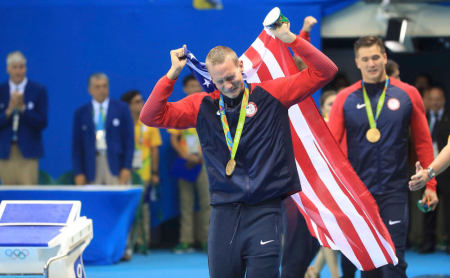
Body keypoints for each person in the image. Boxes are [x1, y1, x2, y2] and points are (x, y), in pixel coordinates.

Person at [140, 19, 337, 278]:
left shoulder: (272, 94)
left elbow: (326, 71)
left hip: (266, 210)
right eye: (219, 81)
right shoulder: (202, 106)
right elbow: (151, 116)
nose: (228, 85)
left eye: (231, 77)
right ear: (211, 78)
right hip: (224, 212)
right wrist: (172, 74)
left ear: (241, 66)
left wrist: (291, 39)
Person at [329, 36, 438, 278]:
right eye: (365, 59)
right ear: (357, 62)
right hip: (358, 195)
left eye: (376, 57)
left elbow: (423, 142)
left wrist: (430, 184)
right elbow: (331, 149)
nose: (371, 64)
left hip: (394, 192)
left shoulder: (408, 94)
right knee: (369, 266)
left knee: (393, 262)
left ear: (385, 58)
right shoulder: (345, 99)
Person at [168, 75, 210, 254]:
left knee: (207, 202)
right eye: (190, 86)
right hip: (185, 163)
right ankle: (186, 240)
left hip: (205, 162)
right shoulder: (179, 109)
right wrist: (186, 155)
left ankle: (207, 240)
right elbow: (174, 139)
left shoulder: (208, 108)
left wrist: (200, 155)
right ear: (185, 89)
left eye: (196, 86)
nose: (193, 89)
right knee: (186, 203)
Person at [72, 73, 134, 185]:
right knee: (93, 200)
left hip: (116, 165)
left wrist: (126, 167)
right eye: (97, 87)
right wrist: (79, 172)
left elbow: (129, 141)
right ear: (90, 90)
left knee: (117, 200)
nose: (102, 90)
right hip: (91, 165)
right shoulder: (81, 113)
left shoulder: (121, 109)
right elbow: (77, 146)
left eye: (104, 86)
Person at [121, 89, 162, 255]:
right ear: (128, 106)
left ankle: (142, 242)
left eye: (141, 101)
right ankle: (126, 243)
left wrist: (154, 172)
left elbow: (154, 150)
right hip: (125, 173)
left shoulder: (149, 123)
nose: (141, 104)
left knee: (144, 209)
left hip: (144, 174)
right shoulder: (122, 125)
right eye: (136, 102)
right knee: (126, 208)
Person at [410, 85, 450, 254]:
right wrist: (429, 173)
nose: (434, 103)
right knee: (427, 205)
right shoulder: (421, 117)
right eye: (431, 99)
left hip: (447, 174)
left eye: (438, 99)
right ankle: (428, 241)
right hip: (428, 170)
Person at [303, 89, 339, 278]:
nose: (334, 108)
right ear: (323, 108)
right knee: (330, 233)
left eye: (336, 104)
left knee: (336, 234)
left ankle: (314, 271)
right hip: (320, 186)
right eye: (330, 104)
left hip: (340, 187)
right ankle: (334, 275)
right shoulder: (316, 127)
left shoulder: (344, 126)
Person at [0, 51, 48, 185]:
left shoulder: (38, 90)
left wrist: (23, 109)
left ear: (25, 69)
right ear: (8, 69)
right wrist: (8, 111)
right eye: (14, 67)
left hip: (28, 153)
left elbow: (42, 122)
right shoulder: (1, 91)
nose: (18, 71)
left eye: (21, 67)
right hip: (5, 152)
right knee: (8, 196)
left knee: (28, 196)